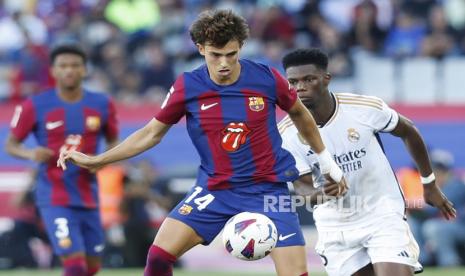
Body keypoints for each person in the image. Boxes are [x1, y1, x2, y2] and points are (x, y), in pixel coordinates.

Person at [57, 10, 346, 276]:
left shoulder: (266, 78)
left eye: (231, 54)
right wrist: (98, 160)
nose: (223, 64)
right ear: (200, 49)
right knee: (157, 258)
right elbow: (151, 133)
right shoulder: (188, 85)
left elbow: (300, 114)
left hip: (268, 190)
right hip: (214, 190)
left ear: (240, 48)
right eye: (215, 55)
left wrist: (325, 160)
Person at [278, 48, 456, 276]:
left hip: (382, 213)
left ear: (326, 79)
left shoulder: (363, 108)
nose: (300, 87)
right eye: (293, 82)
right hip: (336, 226)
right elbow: (302, 187)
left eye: (309, 79)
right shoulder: (286, 134)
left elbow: (409, 131)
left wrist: (429, 184)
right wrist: (322, 193)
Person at [5, 43, 119, 276]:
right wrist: (31, 153)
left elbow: (114, 142)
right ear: (54, 70)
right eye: (63, 65)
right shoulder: (35, 105)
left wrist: (102, 160)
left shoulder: (102, 104)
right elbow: (11, 145)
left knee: (92, 266)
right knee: (74, 265)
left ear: (85, 70)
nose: (69, 70)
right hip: (54, 196)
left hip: (88, 196)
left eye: (75, 65)